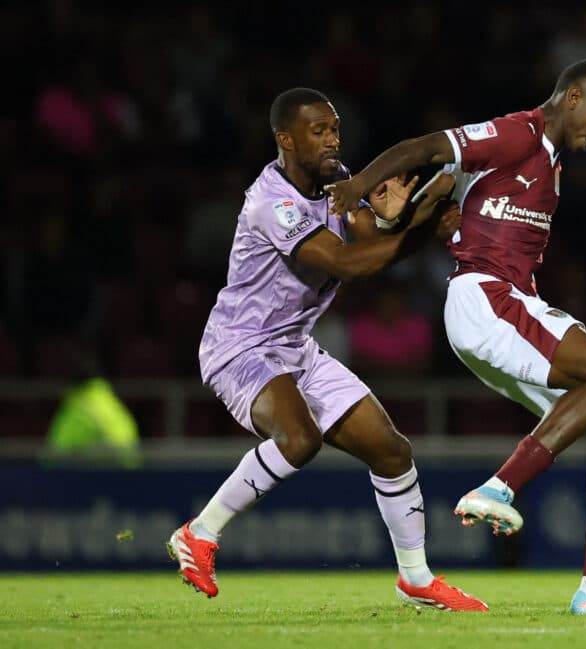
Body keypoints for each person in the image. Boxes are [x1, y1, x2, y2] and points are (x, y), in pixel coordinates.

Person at [327, 60, 586, 615]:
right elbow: (427, 147)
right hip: (488, 298)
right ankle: (500, 486)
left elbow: (449, 189)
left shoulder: (548, 160)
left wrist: (421, 216)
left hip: (499, 307)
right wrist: (359, 187)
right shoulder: (519, 132)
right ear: (573, 97)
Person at [166, 87, 488, 612]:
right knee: (299, 439)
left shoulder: (336, 184)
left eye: (335, 128)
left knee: (391, 450)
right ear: (285, 139)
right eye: (319, 132)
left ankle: (416, 580)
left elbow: (367, 232)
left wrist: (399, 216)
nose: (333, 140)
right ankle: (199, 533)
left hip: (295, 348)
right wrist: (426, 228)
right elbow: (349, 264)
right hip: (241, 347)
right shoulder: (273, 201)